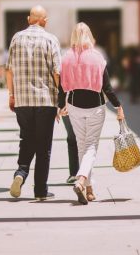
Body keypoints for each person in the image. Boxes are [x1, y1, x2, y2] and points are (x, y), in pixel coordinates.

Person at [58, 22, 124, 205]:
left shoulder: (66, 58)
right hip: (95, 106)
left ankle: (89, 189)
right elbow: (107, 88)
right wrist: (118, 106)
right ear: (90, 36)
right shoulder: (97, 57)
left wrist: (59, 105)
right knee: (91, 147)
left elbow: (61, 87)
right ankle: (81, 181)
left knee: (81, 146)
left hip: (73, 105)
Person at [7, 5, 61, 201]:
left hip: (22, 100)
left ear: (30, 19)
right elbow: (57, 72)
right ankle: (40, 191)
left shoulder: (16, 38)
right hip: (45, 101)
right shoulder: (51, 39)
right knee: (43, 147)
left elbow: (9, 70)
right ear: (44, 20)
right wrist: (61, 98)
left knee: (26, 140)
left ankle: (20, 174)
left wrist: (11, 95)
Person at [60, 45, 79, 184]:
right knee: (84, 140)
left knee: (72, 138)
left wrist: (61, 106)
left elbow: (60, 86)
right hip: (87, 105)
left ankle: (74, 173)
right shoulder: (92, 59)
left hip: (68, 105)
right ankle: (82, 174)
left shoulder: (64, 62)